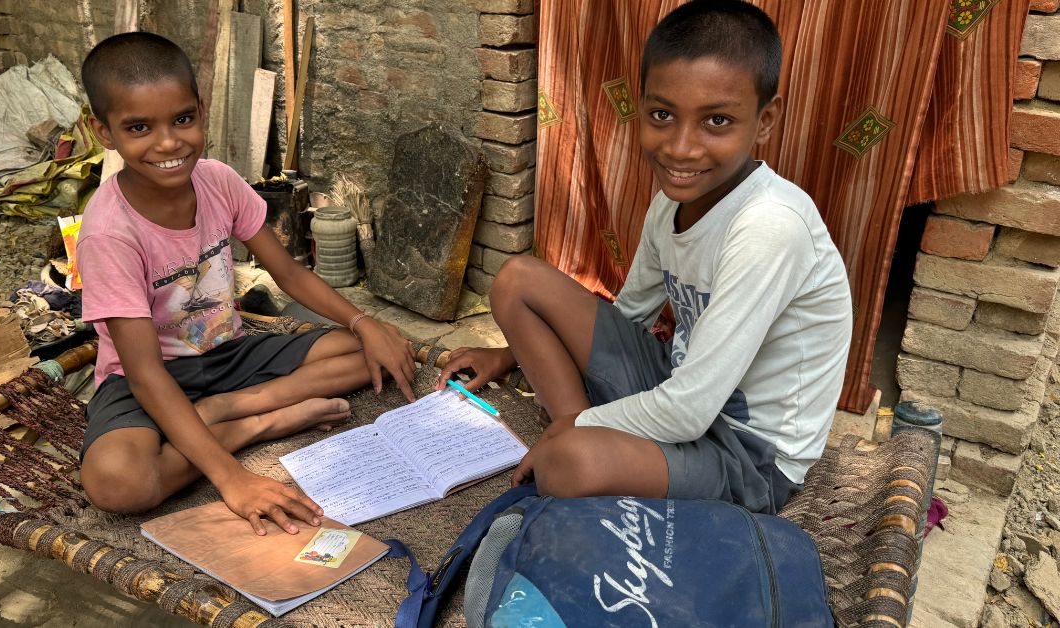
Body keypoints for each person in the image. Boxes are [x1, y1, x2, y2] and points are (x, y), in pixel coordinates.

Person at [437, 0, 851, 515]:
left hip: (749, 454)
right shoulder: (671, 202)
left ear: (765, 120)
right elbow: (629, 315)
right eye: (662, 115)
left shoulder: (770, 226)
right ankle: (573, 423)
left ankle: (572, 432)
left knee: (569, 463)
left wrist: (581, 430)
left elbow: (689, 413)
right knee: (518, 279)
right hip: (681, 386)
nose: (680, 148)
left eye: (716, 121)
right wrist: (511, 357)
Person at [76, 32, 417, 534]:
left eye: (183, 119)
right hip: (143, 379)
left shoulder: (218, 181)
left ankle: (227, 409)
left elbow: (289, 272)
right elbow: (146, 373)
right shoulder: (109, 233)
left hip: (228, 355)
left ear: (201, 109)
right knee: (117, 483)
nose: (169, 142)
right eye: (139, 127)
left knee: (367, 351)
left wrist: (365, 322)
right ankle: (258, 423)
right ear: (102, 131)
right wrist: (232, 478)